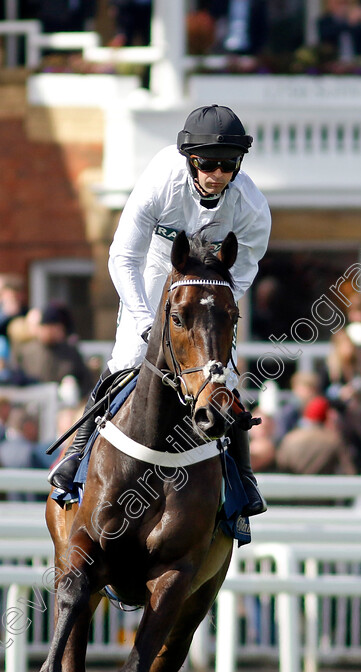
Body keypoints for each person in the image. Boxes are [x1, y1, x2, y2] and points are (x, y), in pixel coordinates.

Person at [49, 104, 271, 516]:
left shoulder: (252, 209)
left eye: (228, 165)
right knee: (129, 356)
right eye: (208, 163)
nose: (217, 174)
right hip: (153, 267)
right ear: (191, 159)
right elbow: (121, 256)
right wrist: (142, 319)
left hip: (211, 283)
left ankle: (244, 476)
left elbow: (242, 272)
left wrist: (212, 315)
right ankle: (76, 455)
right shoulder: (161, 179)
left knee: (225, 371)